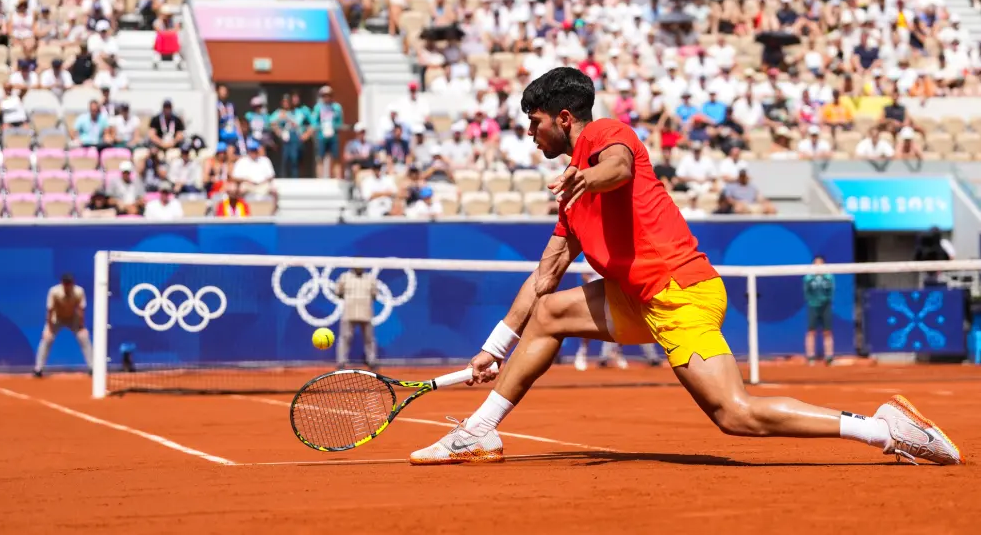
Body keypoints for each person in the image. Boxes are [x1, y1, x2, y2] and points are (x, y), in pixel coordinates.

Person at [409, 67, 962, 466]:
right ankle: (479, 431)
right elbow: (543, 278)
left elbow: (619, 170)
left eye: (534, 123)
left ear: (564, 117)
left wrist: (586, 177)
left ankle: (882, 430)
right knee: (551, 311)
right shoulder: (570, 202)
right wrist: (493, 348)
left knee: (735, 415)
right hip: (637, 298)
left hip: (680, 293)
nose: (530, 134)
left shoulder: (604, 136)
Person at [33, 274, 92, 378]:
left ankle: (93, 368)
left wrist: (82, 326)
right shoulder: (54, 291)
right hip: (57, 317)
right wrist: (49, 329)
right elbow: (50, 311)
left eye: (69, 283)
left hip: (73, 318)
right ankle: (38, 368)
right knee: (47, 339)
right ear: (62, 283)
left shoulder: (79, 291)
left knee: (84, 337)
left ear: (72, 283)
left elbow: (81, 309)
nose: (67, 285)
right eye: (65, 283)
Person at [333, 267, 379, 369]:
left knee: (369, 339)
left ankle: (371, 361)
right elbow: (337, 292)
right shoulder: (344, 277)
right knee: (345, 338)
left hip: (366, 313)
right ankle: (341, 362)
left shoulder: (370, 278)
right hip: (349, 312)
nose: (359, 267)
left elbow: (375, 295)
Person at [803, 256, 835, 366]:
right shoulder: (808, 278)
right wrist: (812, 301)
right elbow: (806, 291)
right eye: (816, 263)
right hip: (813, 306)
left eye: (820, 263)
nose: (818, 265)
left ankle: (829, 357)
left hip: (826, 306)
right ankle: (811, 356)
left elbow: (831, 290)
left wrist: (826, 301)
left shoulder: (829, 277)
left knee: (827, 331)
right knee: (811, 331)